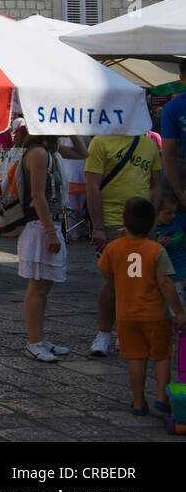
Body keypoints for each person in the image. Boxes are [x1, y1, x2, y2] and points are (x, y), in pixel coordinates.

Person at [97, 197, 186, 415]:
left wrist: (120, 244)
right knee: (162, 356)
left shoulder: (113, 248)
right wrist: (180, 312)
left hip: (127, 315)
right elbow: (165, 283)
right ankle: (161, 398)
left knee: (136, 358)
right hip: (156, 315)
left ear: (123, 221)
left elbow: (107, 273)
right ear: (152, 223)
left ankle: (138, 403)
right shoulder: (156, 250)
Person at [87, 131, 163, 356]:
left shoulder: (149, 145)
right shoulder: (100, 142)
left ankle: (127, 332)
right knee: (113, 280)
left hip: (142, 225)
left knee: (136, 280)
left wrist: (152, 217)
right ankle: (104, 334)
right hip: (113, 222)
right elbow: (92, 185)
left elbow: (156, 184)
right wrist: (98, 226)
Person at [15, 134, 70, 361]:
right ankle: (34, 341)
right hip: (40, 225)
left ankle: (39, 338)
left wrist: (73, 132)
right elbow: (37, 195)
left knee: (44, 286)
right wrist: (50, 232)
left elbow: (82, 154)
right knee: (37, 286)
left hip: (49, 223)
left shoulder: (50, 151)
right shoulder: (38, 152)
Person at [159, 61, 186, 210]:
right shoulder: (172, 108)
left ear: (181, 78)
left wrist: (179, 192)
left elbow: (168, 155)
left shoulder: (172, 108)